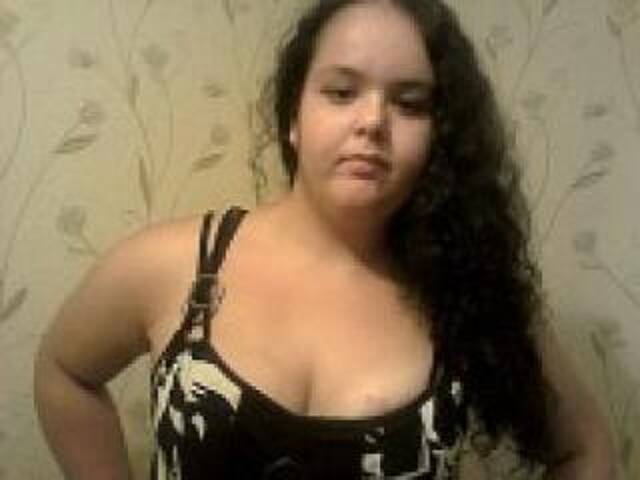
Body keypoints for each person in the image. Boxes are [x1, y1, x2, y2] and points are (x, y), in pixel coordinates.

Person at [34, 0, 616, 478]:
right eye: (341, 92)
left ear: (438, 136)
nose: (372, 121)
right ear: (293, 117)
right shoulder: (176, 266)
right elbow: (64, 373)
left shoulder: (468, 293)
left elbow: (586, 450)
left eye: (409, 103)